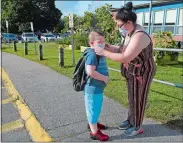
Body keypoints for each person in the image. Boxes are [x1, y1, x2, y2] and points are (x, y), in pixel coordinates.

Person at [94, 2, 156, 136]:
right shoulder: (130, 32)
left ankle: (137, 126)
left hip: (142, 71)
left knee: (139, 98)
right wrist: (110, 48)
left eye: (119, 25)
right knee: (132, 96)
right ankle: (131, 120)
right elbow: (124, 50)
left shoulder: (139, 35)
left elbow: (125, 57)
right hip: (133, 71)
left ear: (128, 22)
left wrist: (104, 53)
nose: (118, 28)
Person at [84, 31, 109, 141]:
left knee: (96, 108)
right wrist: (105, 78)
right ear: (92, 43)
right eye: (100, 42)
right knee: (93, 109)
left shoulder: (99, 53)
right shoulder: (92, 54)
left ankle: (94, 123)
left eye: (103, 41)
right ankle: (94, 132)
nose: (102, 44)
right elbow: (90, 71)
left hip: (98, 88)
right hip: (92, 89)